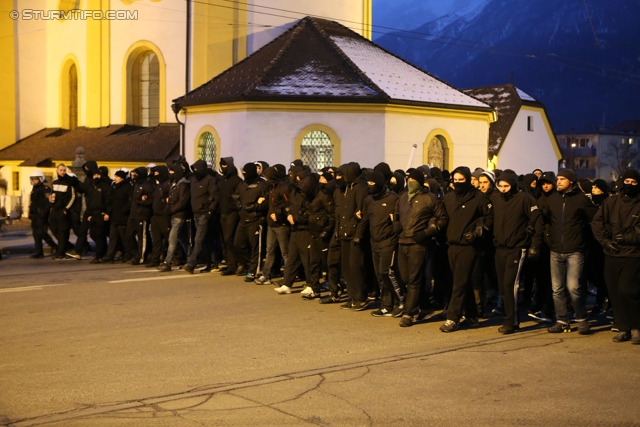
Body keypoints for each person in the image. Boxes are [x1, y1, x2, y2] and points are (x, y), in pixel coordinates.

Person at [540, 169, 597, 334]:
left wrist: (586, 240)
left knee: (573, 287)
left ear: (571, 181)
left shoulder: (581, 200)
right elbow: (546, 221)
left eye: (562, 179)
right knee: (557, 289)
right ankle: (562, 320)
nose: (558, 181)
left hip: (575, 250)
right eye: (557, 179)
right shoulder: (553, 199)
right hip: (555, 250)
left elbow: (595, 219)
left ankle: (581, 318)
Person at [440, 166, 493, 333]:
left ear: (469, 180)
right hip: (452, 245)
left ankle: (452, 318)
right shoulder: (449, 198)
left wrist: (479, 232)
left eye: (461, 180)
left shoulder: (479, 198)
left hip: (469, 246)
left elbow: (490, 218)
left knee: (459, 283)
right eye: (455, 180)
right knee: (463, 281)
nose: (457, 183)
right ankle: (471, 315)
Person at [393, 169, 448, 326]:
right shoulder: (403, 198)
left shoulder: (430, 198)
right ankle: (425, 305)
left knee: (414, 279)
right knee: (404, 277)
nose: (410, 182)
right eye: (408, 179)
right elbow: (396, 213)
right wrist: (396, 224)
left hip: (419, 243)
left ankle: (409, 313)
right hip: (403, 241)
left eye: (413, 180)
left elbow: (442, 218)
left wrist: (427, 232)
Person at [591, 169, 640, 344]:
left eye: (634, 182)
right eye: (627, 181)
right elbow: (597, 222)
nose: (630, 185)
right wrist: (604, 241)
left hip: (633, 255)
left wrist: (627, 238)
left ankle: (636, 326)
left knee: (628, 291)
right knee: (614, 292)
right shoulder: (610, 202)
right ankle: (623, 327)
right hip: (611, 254)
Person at [490, 172, 543, 334]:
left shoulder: (525, 199)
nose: (503, 189)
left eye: (506, 186)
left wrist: (535, 244)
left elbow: (537, 221)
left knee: (510, 285)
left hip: (517, 247)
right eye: (500, 186)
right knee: (502, 286)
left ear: (513, 185)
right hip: (500, 247)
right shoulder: (495, 198)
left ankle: (511, 321)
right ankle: (509, 316)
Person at [255, 166, 290, 285]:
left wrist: (279, 214)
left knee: (285, 252)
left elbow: (288, 205)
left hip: (281, 225)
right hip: (271, 224)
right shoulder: (271, 188)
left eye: (267, 178)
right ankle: (266, 275)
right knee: (269, 250)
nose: (265, 180)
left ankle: (288, 277)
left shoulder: (283, 188)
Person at [233, 162, 268, 281]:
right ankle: (248, 263)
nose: (245, 175)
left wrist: (254, 207)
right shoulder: (242, 184)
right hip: (243, 219)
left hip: (255, 219)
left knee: (255, 247)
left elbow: (266, 203)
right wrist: (237, 203)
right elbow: (236, 195)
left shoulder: (261, 185)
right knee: (238, 244)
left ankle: (254, 271)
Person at [184, 160, 219, 273]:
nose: (195, 171)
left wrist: (210, 210)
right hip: (196, 213)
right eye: (193, 169)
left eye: (197, 169)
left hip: (205, 213)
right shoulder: (193, 180)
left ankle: (191, 263)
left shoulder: (210, 180)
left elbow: (215, 196)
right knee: (205, 240)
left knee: (198, 239)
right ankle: (212, 263)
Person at [159, 163, 192, 272]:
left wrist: (171, 210)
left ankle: (167, 262)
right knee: (182, 239)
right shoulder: (175, 184)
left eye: (172, 172)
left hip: (179, 215)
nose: (170, 174)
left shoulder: (183, 185)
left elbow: (183, 201)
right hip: (174, 215)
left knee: (172, 239)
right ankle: (190, 259)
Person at [103, 170, 132, 263]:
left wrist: (124, 210)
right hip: (114, 216)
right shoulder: (114, 187)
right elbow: (111, 201)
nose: (115, 178)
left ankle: (127, 254)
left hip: (123, 217)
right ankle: (109, 255)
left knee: (124, 237)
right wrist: (108, 212)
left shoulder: (128, 187)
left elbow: (130, 201)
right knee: (113, 237)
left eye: (117, 177)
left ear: (122, 178)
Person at [48, 164, 76, 260]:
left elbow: (73, 196)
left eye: (64, 170)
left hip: (63, 210)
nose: (62, 172)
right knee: (52, 227)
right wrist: (50, 199)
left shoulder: (69, 182)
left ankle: (60, 253)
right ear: (57, 171)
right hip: (54, 209)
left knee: (62, 231)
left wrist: (66, 209)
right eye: (61, 170)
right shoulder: (54, 182)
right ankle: (66, 246)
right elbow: (52, 194)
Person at [28, 170, 57, 258]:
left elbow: (49, 202)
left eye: (35, 179)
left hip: (42, 214)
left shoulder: (45, 189)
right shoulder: (34, 189)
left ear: (41, 179)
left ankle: (54, 246)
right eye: (32, 179)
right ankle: (39, 252)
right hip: (35, 215)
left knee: (42, 233)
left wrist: (44, 213)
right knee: (36, 234)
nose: (33, 181)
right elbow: (33, 203)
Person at [148, 166, 171, 268]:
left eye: (157, 173)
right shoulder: (159, 185)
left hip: (164, 216)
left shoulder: (167, 184)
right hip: (156, 215)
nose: (156, 175)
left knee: (169, 238)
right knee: (156, 240)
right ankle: (155, 259)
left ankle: (176, 257)